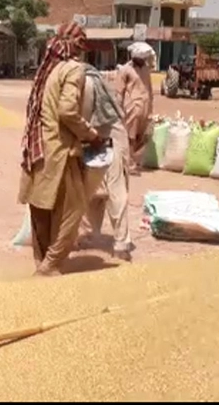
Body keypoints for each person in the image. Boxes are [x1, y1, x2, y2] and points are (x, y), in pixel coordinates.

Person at [18, 21, 102, 277]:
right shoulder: (73, 70)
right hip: (60, 151)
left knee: (40, 208)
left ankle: (41, 263)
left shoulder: (48, 69)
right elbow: (67, 111)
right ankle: (51, 264)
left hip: (37, 148)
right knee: (73, 210)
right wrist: (90, 134)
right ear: (77, 46)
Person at [78, 67, 135, 262]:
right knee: (115, 186)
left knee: (92, 182)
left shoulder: (83, 81)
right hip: (107, 135)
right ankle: (120, 243)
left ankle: (90, 233)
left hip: (96, 134)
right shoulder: (97, 82)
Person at [119, 43, 155, 174]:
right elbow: (119, 91)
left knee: (143, 136)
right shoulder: (125, 70)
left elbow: (149, 89)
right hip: (132, 108)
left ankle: (132, 160)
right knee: (130, 137)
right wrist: (120, 108)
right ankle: (129, 164)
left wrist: (151, 107)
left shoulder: (146, 69)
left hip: (145, 108)